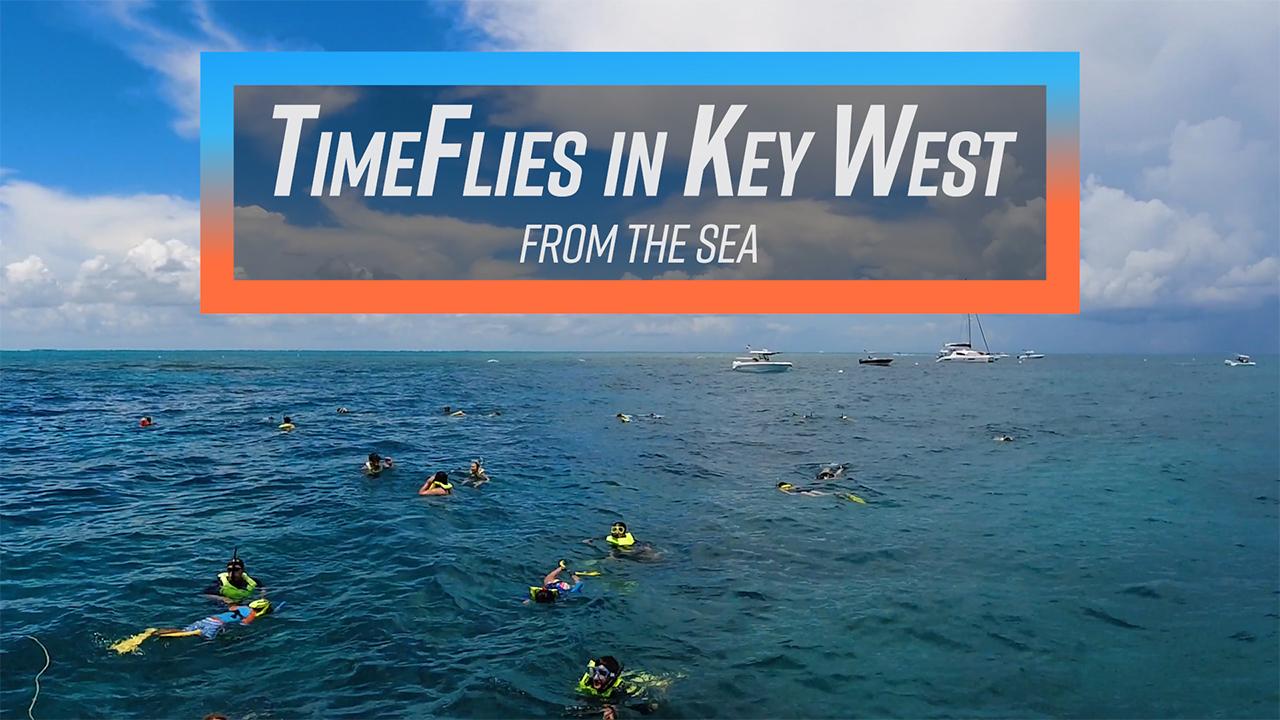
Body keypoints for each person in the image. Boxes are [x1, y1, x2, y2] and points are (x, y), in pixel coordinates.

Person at [109, 599, 275, 654]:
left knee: (185, 630)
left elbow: (231, 608)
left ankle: (153, 631)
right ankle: (156, 636)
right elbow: (244, 623)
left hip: (209, 618)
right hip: (216, 625)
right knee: (205, 642)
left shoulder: (242, 607)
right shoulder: (252, 613)